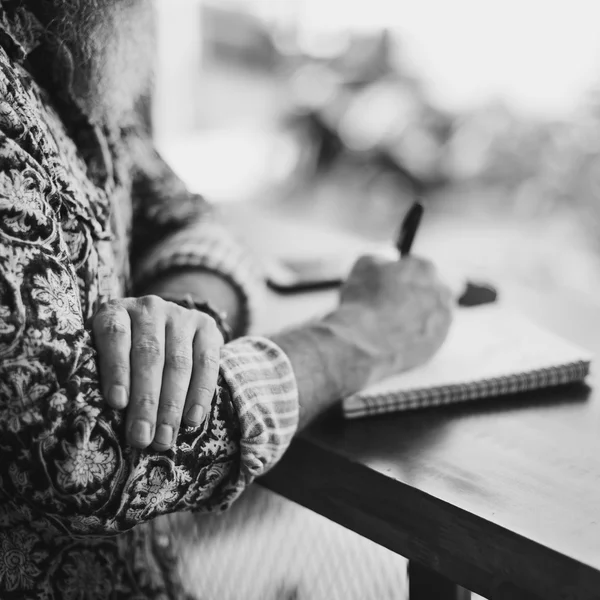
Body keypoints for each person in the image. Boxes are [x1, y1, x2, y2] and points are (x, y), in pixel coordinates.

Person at [0, 1, 452, 598]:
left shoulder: (62, 44)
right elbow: (79, 455)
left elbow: (180, 214)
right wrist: (352, 341)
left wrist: (188, 323)